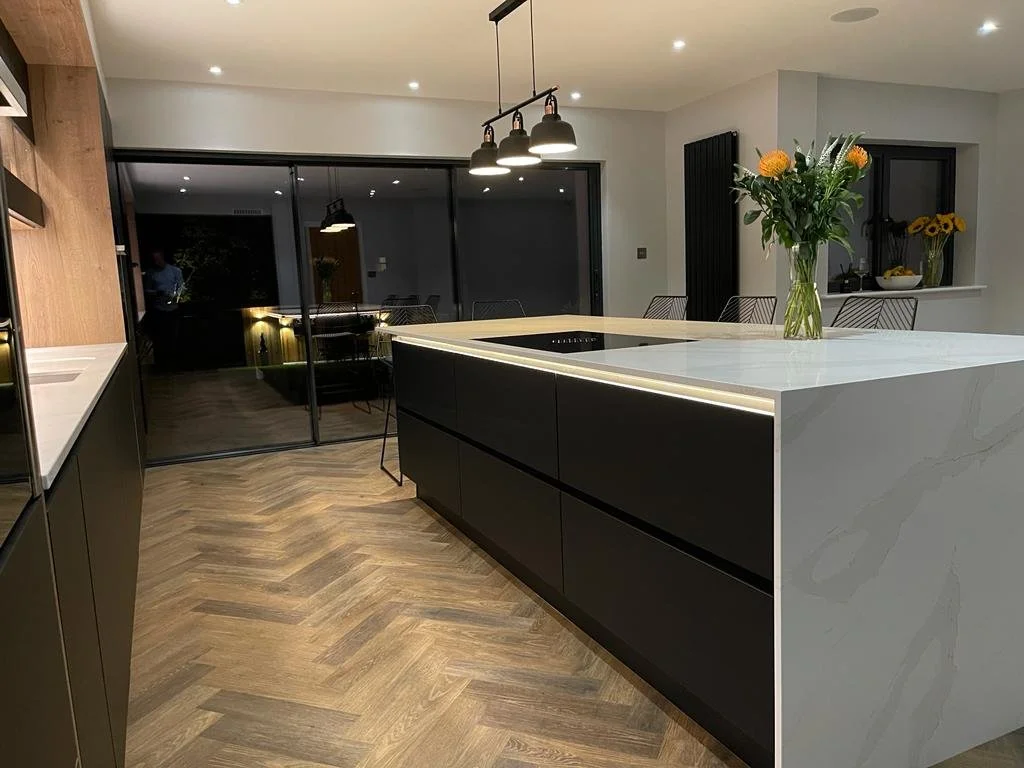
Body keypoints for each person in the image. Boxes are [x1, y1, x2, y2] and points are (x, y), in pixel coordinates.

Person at [144, 250, 185, 371]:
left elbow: (181, 288)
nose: (156, 262)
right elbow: (146, 290)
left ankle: (174, 364)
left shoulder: (175, 271)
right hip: (158, 309)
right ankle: (161, 366)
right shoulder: (151, 273)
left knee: (173, 337)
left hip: (173, 308)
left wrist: (174, 296)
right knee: (159, 338)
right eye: (154, 260)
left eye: (158, 259)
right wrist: (157, 293)